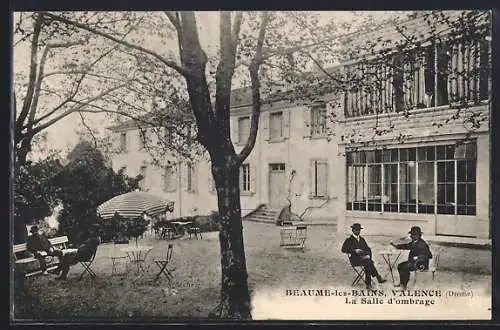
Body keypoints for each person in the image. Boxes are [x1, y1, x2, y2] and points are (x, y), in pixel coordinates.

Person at [341, 223, 386, 289]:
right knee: (369, 263)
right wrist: (354, 250)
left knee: (368, 262)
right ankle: (376, 277)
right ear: (352, 230)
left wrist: (368, 255)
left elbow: (368, 249)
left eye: (359, 230)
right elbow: (343, 249)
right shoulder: (349, 240)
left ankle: (370, 283)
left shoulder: (362, 239)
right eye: (356, 230)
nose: (358, 231)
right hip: (355, 259)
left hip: (363, 258)